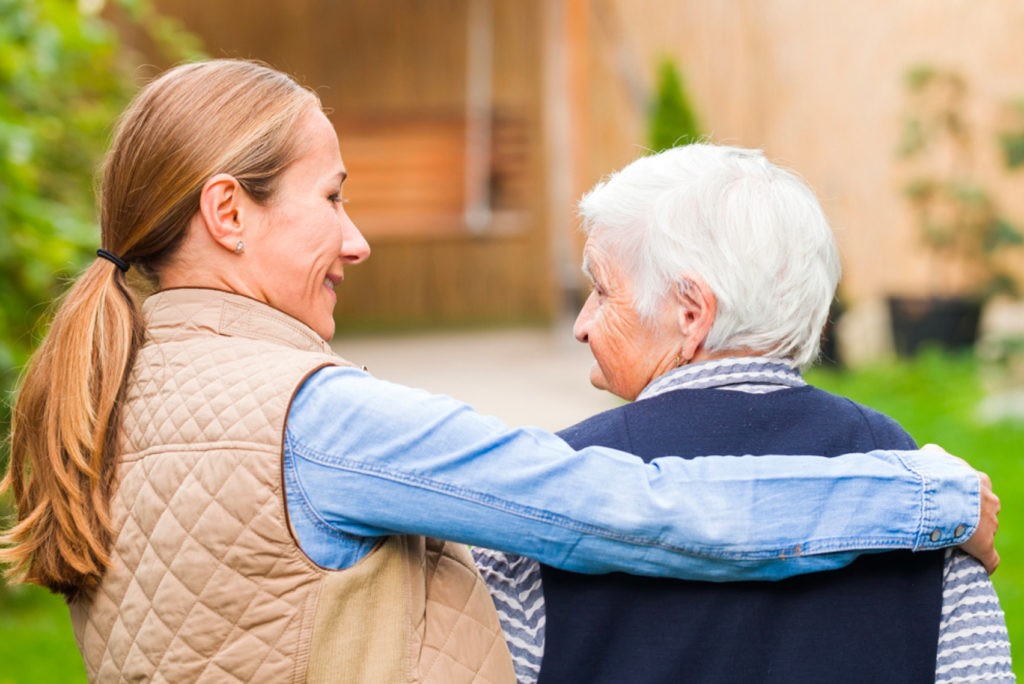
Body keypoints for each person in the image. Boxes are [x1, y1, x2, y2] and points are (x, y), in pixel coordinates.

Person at [0, 61, 997, 683]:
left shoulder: (115, 399)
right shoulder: (313, 421)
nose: (355, 241)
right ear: (228, 213)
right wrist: (926, 496)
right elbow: (625, 510)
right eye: (331, 196)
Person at [474, 144, 1014, 684]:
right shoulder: (923, 487)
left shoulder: (546, 491)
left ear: (691, 312)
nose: (582, 324)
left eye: (601, 289)